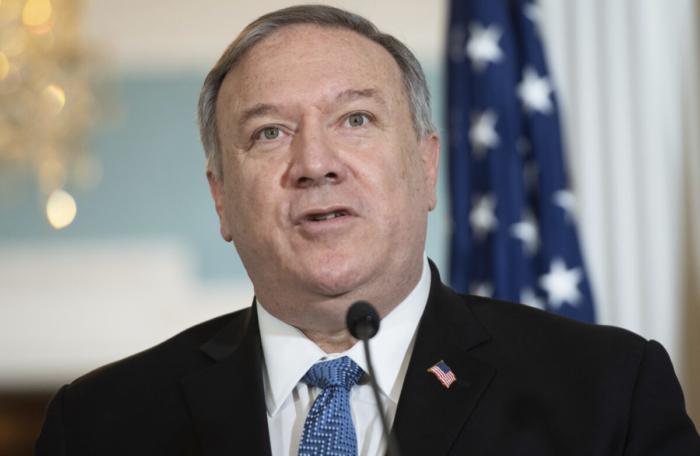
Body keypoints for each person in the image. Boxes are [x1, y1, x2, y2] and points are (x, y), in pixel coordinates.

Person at [35, 5, 700, 455]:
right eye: (269, 133)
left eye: (355, 120)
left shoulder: (607, 391)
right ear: (222, 200)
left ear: (426, 164)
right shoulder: (96, 424)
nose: (315, 163)